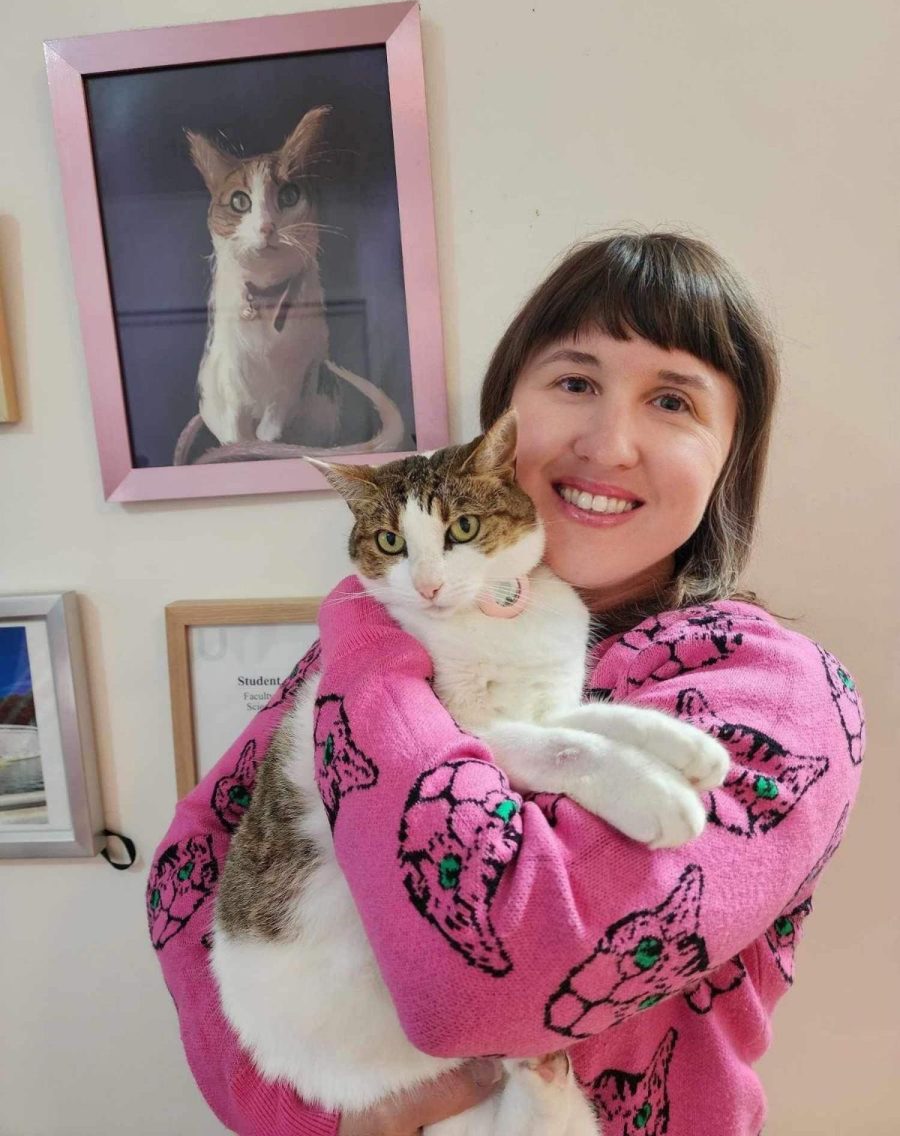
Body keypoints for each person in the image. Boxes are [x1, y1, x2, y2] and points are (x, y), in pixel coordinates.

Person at [148, 232, 863, 1136]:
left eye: (673, 399)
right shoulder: (389, 625)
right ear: (501, 419)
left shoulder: (775, 694)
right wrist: (315, 1122)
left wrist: (363, 632)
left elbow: (491, 976)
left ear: (731, 453)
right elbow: (188, 874)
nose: (609, 442)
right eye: (574, 383)